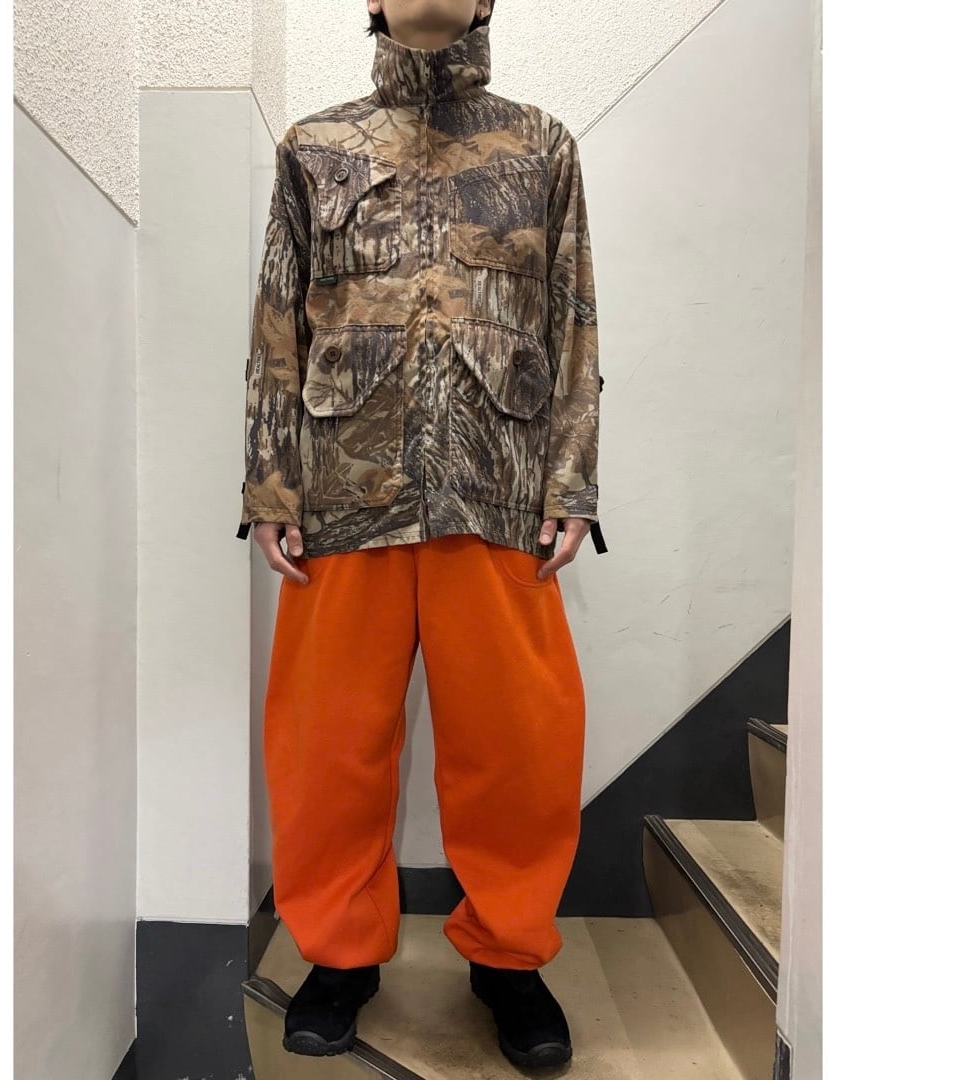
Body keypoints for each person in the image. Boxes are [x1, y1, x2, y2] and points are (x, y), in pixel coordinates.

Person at [235, 0, 607, 1069]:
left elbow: (574, 319)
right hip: (343, 491)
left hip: (499, 488)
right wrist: (271, 483)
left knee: (521, 748)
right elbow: (277, 321)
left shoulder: (541, 146)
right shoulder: (314, 146)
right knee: (327, 748)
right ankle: (340, 957)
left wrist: (571, 479)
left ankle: (509, 959)